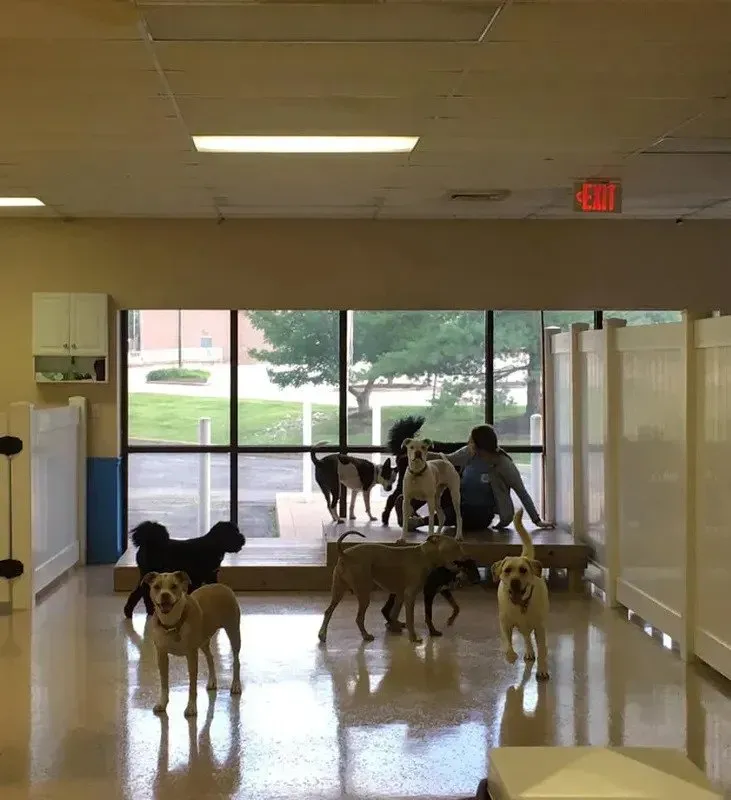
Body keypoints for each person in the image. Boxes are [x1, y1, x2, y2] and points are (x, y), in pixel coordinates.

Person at [408, 424, 554, 533]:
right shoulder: (469, 453)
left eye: (470, 441)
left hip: (482, 513)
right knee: (448, 498)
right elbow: (447, 459)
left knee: (458, 515)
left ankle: (420, 522)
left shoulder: (502, 464)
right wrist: (420, 453)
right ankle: (411, 510)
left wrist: (537, 521)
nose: (468, 443)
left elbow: (521, 492)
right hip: (460, 503)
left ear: (479, 445)